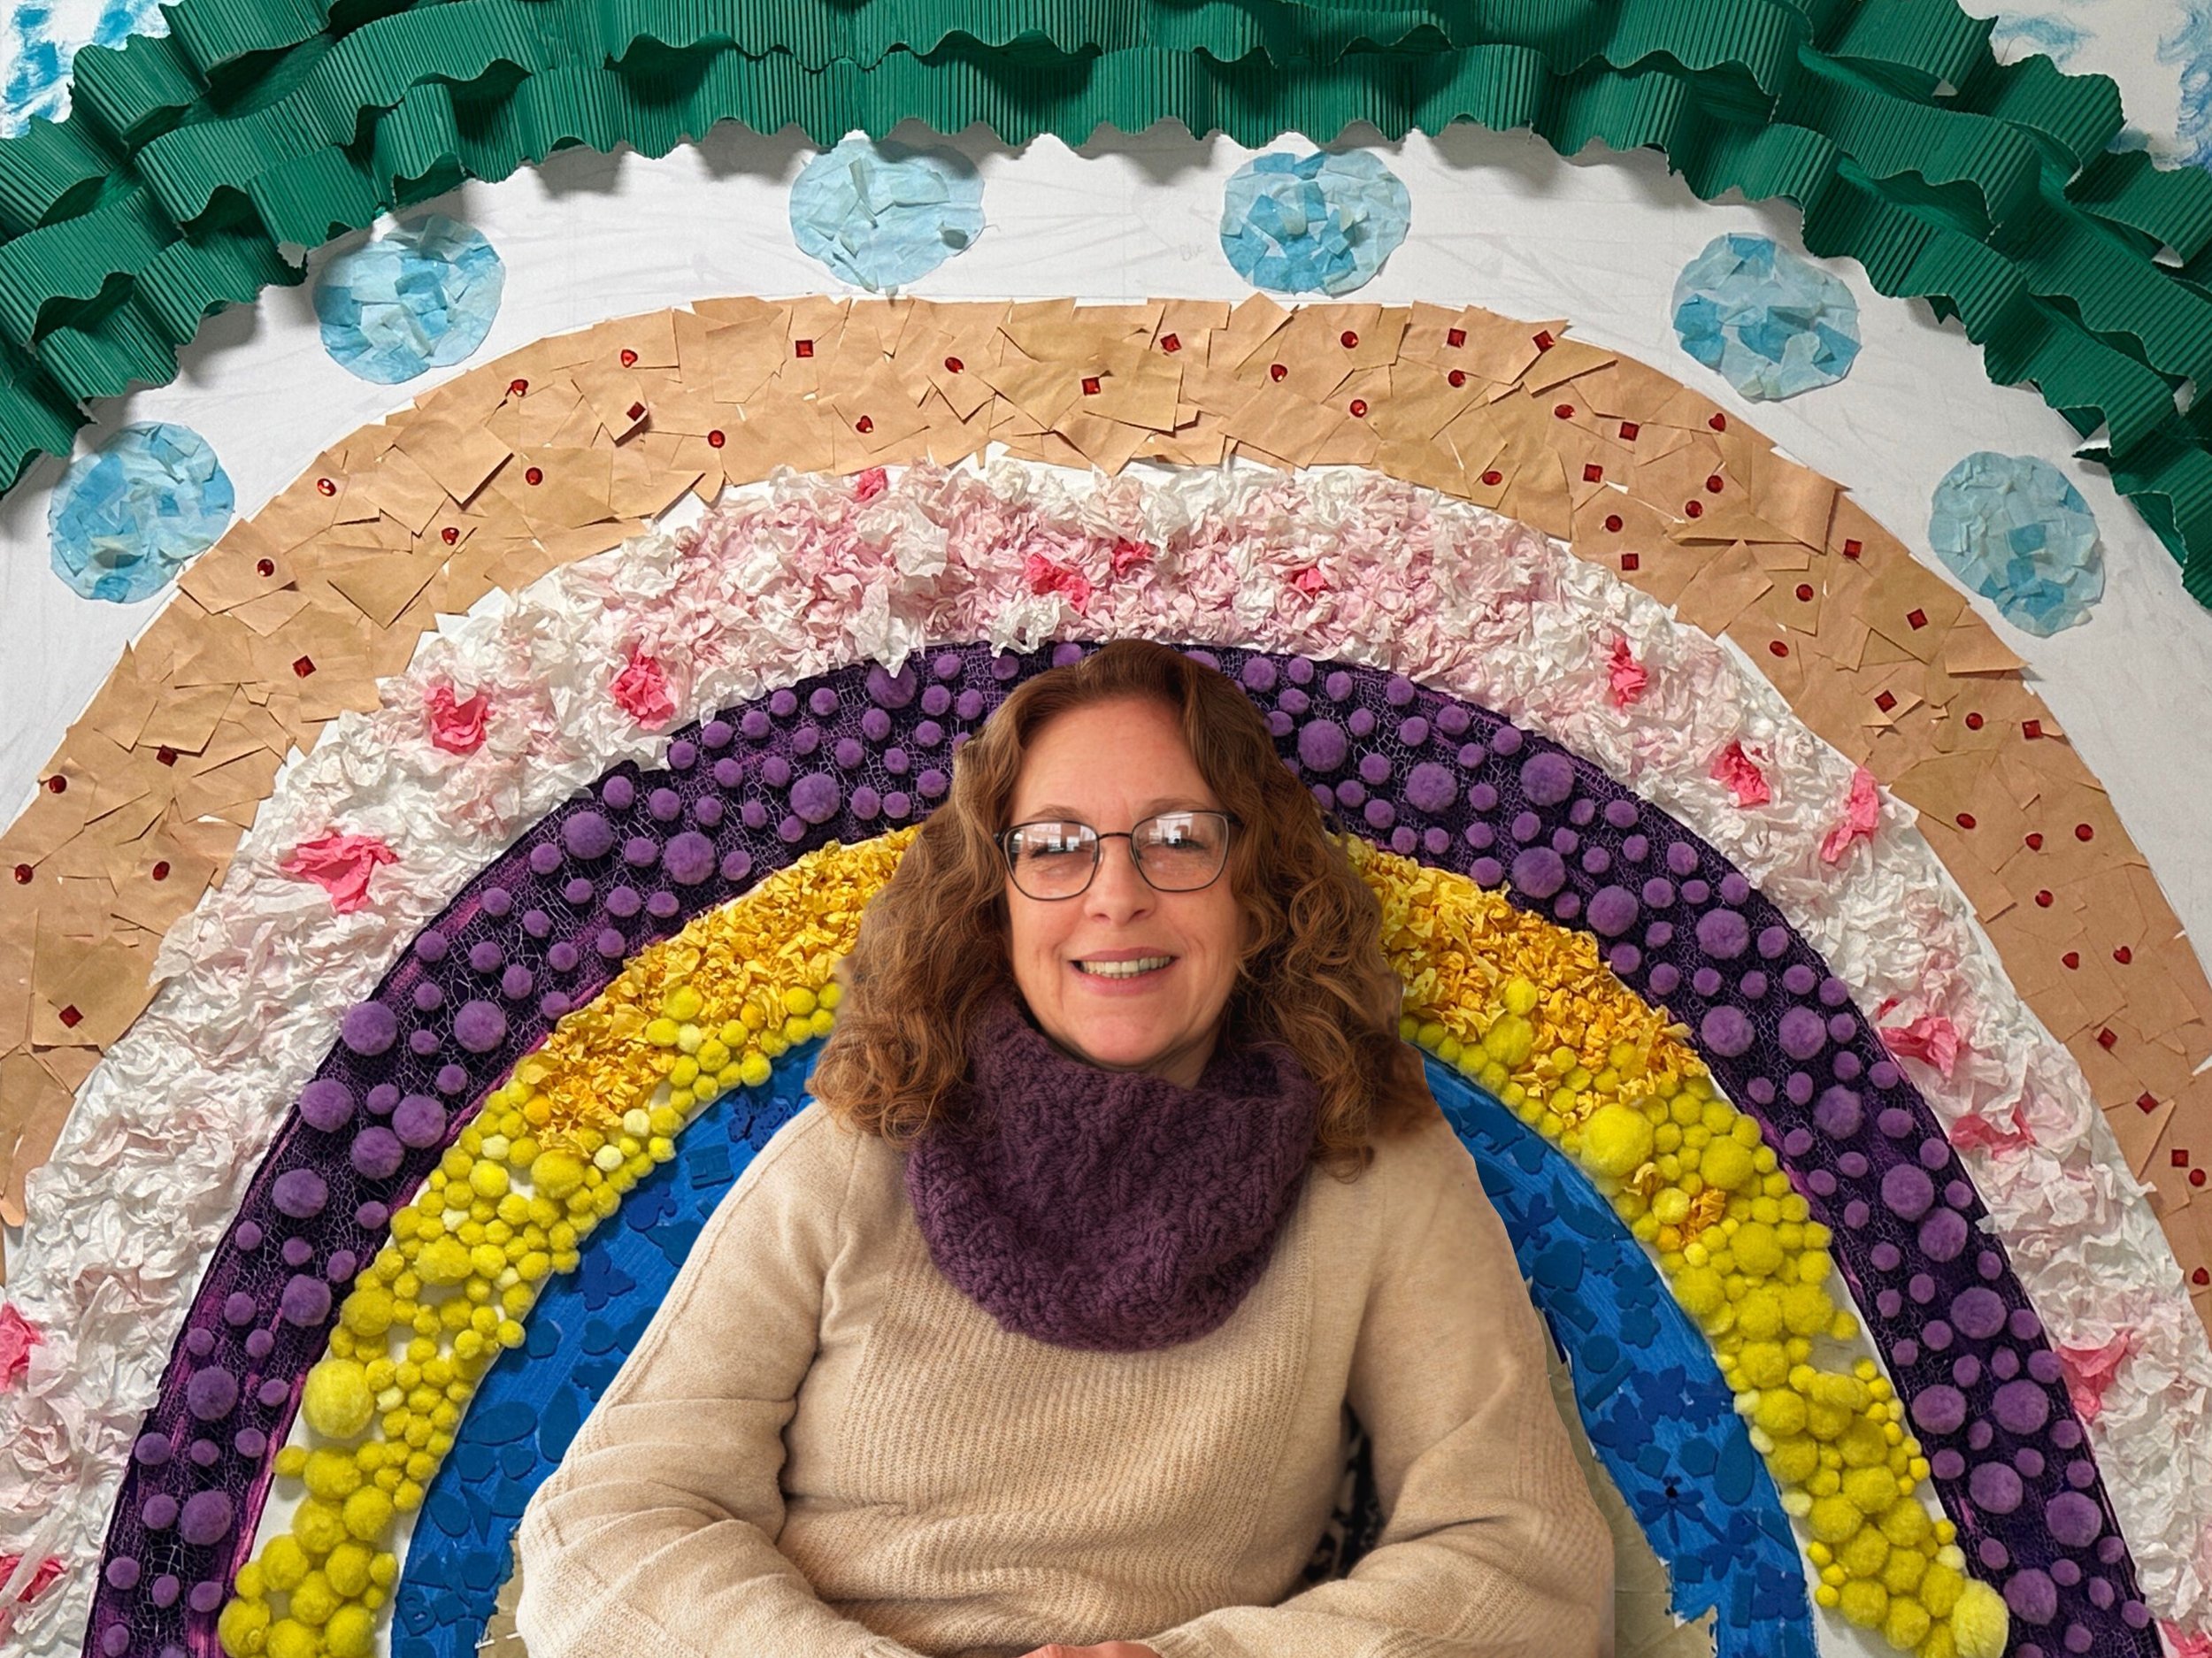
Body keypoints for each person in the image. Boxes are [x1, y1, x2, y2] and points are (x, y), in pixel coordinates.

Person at [514, 640, 1616, 1658]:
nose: (1116, 896)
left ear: (1259, 884)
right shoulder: (855, 1154)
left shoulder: (1371, 1171)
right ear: (994, 895)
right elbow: (605, 1528)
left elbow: (1525, 1555)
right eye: (1055, 847)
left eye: (1178, 839)